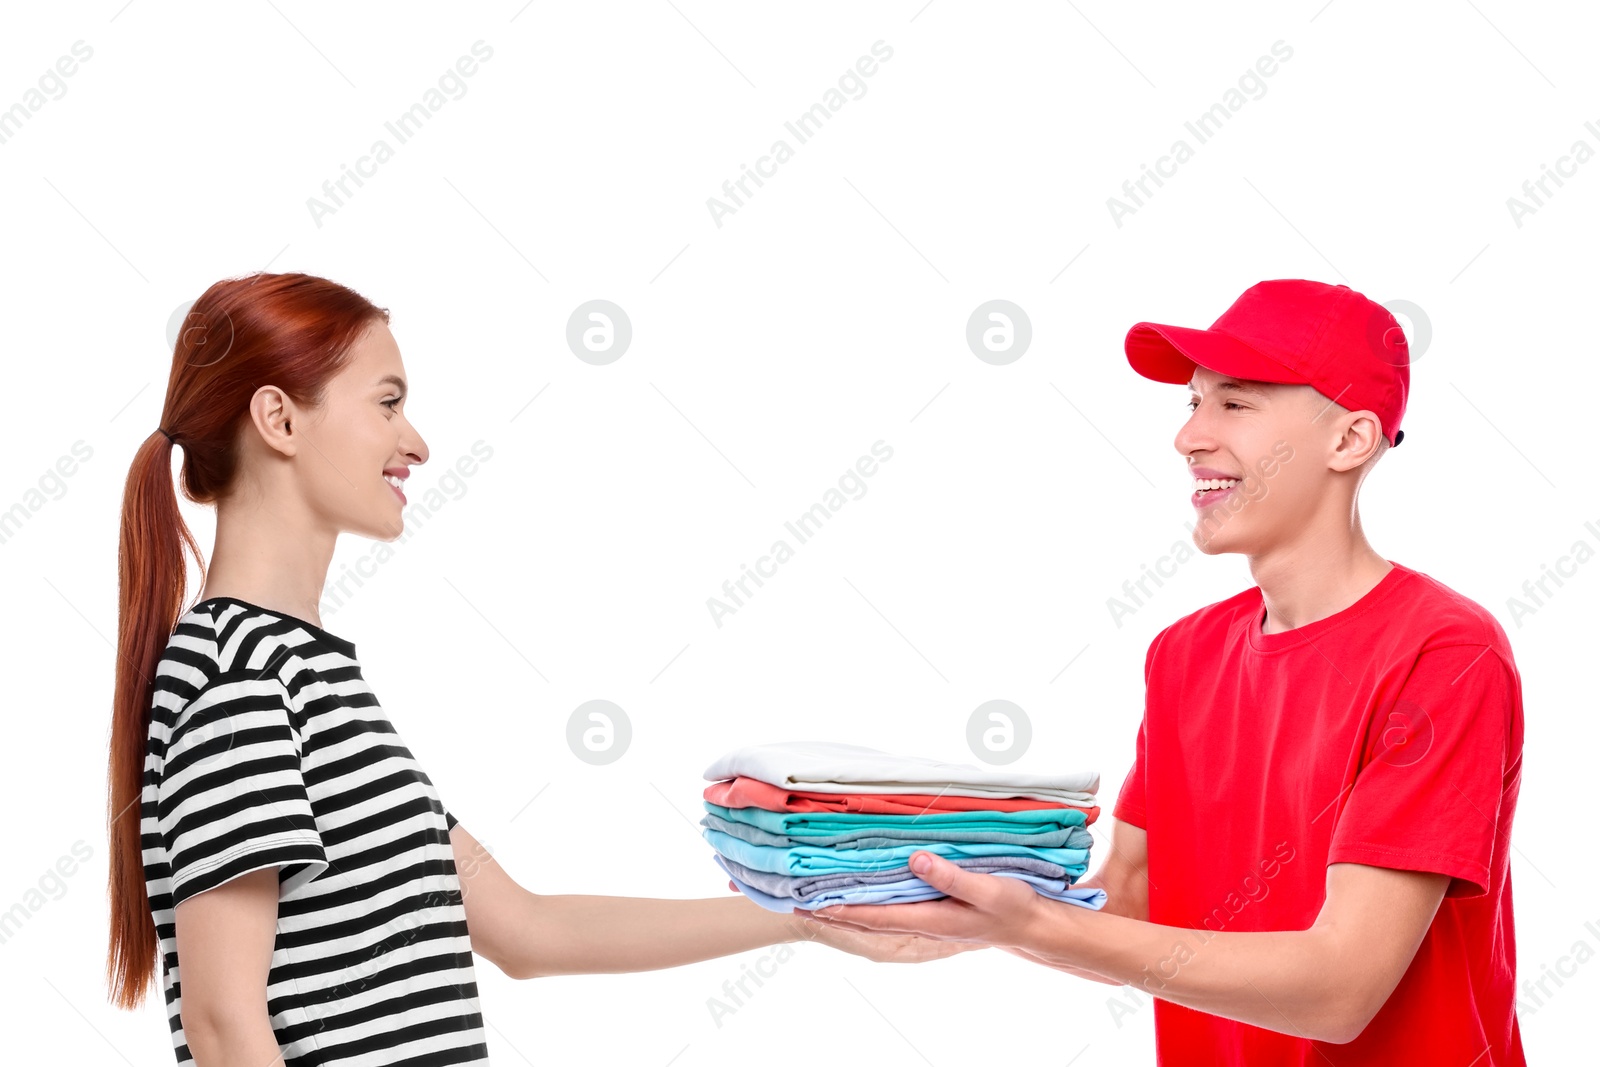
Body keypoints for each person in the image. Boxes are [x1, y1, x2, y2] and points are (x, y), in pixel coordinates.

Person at [105, 271, 969, 1066]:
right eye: (388, 402)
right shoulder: (239, 676)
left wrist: (810, 919)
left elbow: (526, 928)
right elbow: (224, 1023)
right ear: (280, 419)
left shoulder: (310, 677)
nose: (417, 441)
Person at [807, 279, 1526, 1065]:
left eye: (1236, 405)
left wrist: (1027, 923)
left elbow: (1342, 987)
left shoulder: (1446, 654)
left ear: (1349, 440)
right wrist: (928, 895)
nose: (1189, 437)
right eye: (1192, 404)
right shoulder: (1183, 653)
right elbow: (1127, 900)